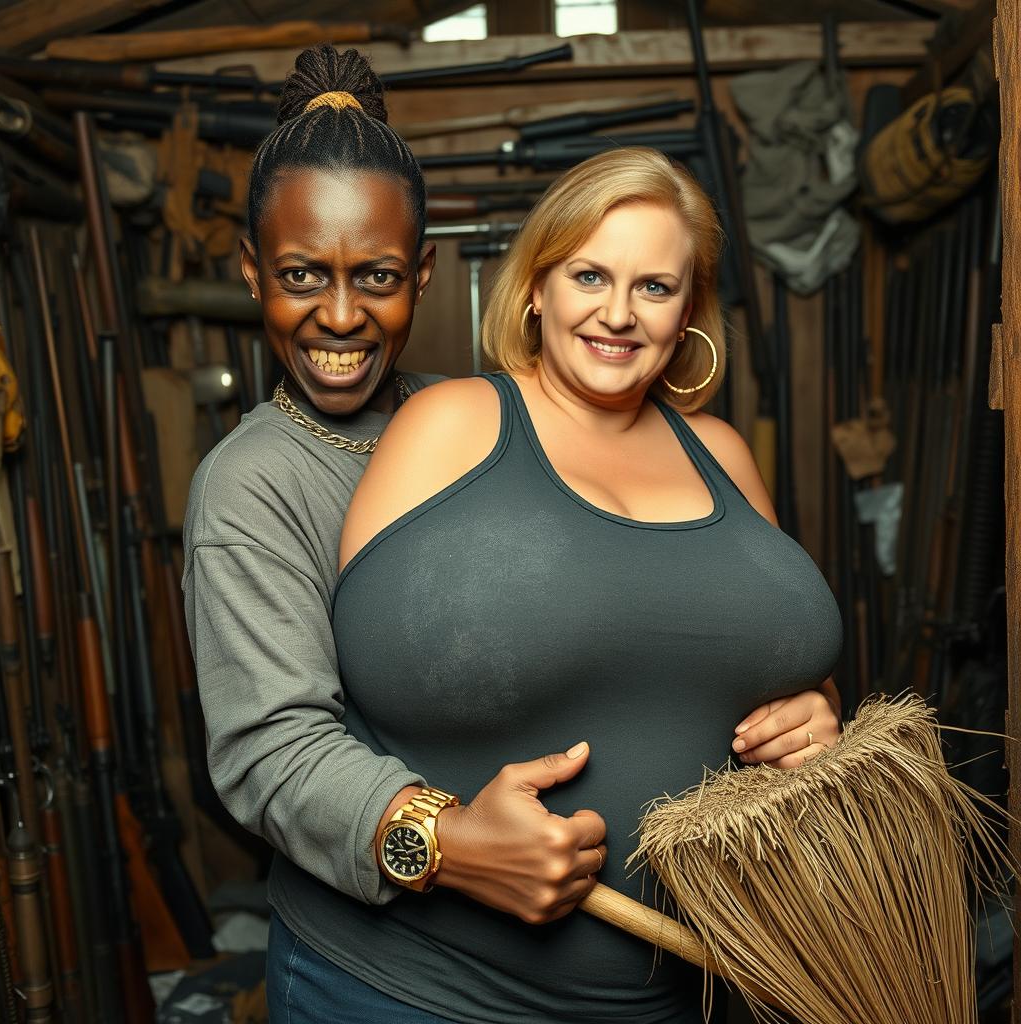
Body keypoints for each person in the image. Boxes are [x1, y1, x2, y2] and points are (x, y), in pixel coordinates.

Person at [331, 147, 844, 1023]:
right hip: (431, 993)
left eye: (654, 287)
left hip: (700, 993)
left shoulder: (718, 453)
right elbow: (335, 690)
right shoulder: (453, 425)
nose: (618, 313)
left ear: (689, 312)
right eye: (590, 275)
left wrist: (819, 711)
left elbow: (772, 665)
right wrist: (442, 839)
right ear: (536, 287)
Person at [180, 44, 445, 1019]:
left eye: (375, 275)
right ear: (253, 271)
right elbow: (273, 756)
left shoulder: (473, 418)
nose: (340, 317)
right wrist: (448, 841)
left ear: (421, 270)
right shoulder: (248, 487)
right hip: (367, 979)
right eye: (302, 274)